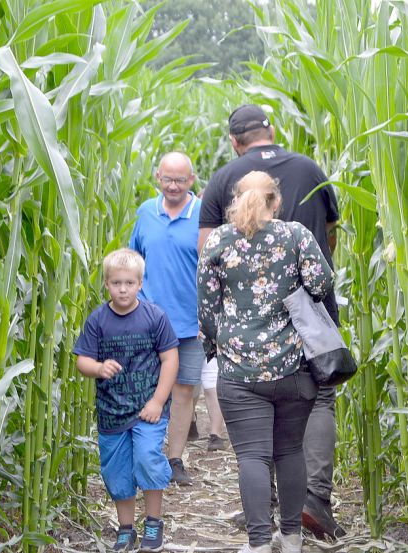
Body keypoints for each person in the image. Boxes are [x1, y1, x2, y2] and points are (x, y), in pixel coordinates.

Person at [197, 104, 345, 539]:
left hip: (241, 363)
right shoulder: (298, 225)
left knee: (253, 457)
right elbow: (323, 277)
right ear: (275, 201)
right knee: (296, 442)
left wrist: (216, 343)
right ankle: (304, 519)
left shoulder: (222, 222)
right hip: (296, 355)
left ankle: (260, 540)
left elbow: (206, 294)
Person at [73, 248, 180, 552]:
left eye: (129, 283)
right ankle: (126, 528)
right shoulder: (98, 320)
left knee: (148, 459)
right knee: (117, 472)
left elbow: (170, 360)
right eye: (116, 283)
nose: (123, 289)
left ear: (140, 283)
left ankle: (154, 522)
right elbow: (82, 360)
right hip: (111, 412)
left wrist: (158, 401)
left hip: (148, 409)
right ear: (106, 283)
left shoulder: (154, 316)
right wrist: (98, 368)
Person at [130, 152, 226, 484]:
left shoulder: (203, 216)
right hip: (148, 321)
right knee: (149, 389)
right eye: (168, 179)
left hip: (190, 322)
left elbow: (216, 267)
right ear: (158, 177)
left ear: (192, 180)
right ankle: (149, 457)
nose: (173, 186)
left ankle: (174, 460)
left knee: (185, 390)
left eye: (181, 180)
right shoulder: (145, 212)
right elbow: (134, 260)